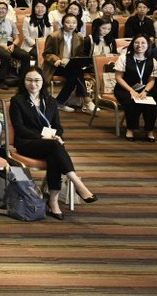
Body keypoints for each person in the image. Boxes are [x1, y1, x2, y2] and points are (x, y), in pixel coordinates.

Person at [10, 68, 98, 220]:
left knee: (54, 156)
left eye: (36, 80)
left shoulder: (50, 101)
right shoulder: (17, 100)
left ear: (43, 81)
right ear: (23, 82)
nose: (33, 84)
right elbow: (20, 128)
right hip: (27, 142)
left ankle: (54, 201)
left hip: (49, 143)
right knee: (55, 147)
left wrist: (58, 136)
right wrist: (43, 137)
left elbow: (58, 126)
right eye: (29, 80)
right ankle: (77, 183)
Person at [42, 14, 89, 111]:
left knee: (74, 76)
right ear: (63, 23)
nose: (71, 25)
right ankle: (87, 100)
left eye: (74, 23)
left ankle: (59, 102)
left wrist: (71, 60)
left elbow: (80, 55)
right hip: (55, 66)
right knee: (77, 73)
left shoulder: (79, 37)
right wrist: (57, 59)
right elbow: (46, 54)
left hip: (70, 66)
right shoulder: (54, 36)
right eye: (68, 22)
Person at [114, 36, 157, 142]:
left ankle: (149, 130)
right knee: (132, 101)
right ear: (132, 44)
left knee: (152, 102)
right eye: (137, 43)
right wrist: (131, 91)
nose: (140, 45)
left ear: (148, 45)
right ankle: (130, 130)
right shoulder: (124, 57)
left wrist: (145, 91)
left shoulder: (153, 61)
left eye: (143, 43)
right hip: (124, 88)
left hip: (144, 88)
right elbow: (118, 77)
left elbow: (152, 80)